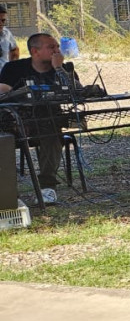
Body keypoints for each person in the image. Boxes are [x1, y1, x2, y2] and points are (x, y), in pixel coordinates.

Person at [0, 33, 79, 205]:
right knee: (3, 140)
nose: (57, 51)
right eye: (52, 47)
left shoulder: (64, 68)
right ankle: (9, 194)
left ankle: (47, 188)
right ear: (35, 51)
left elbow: (76, 93)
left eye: (57, 47)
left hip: (48, 120)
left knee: (52, 133)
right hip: (14, 120)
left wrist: (59, 69)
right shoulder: (13, 68)